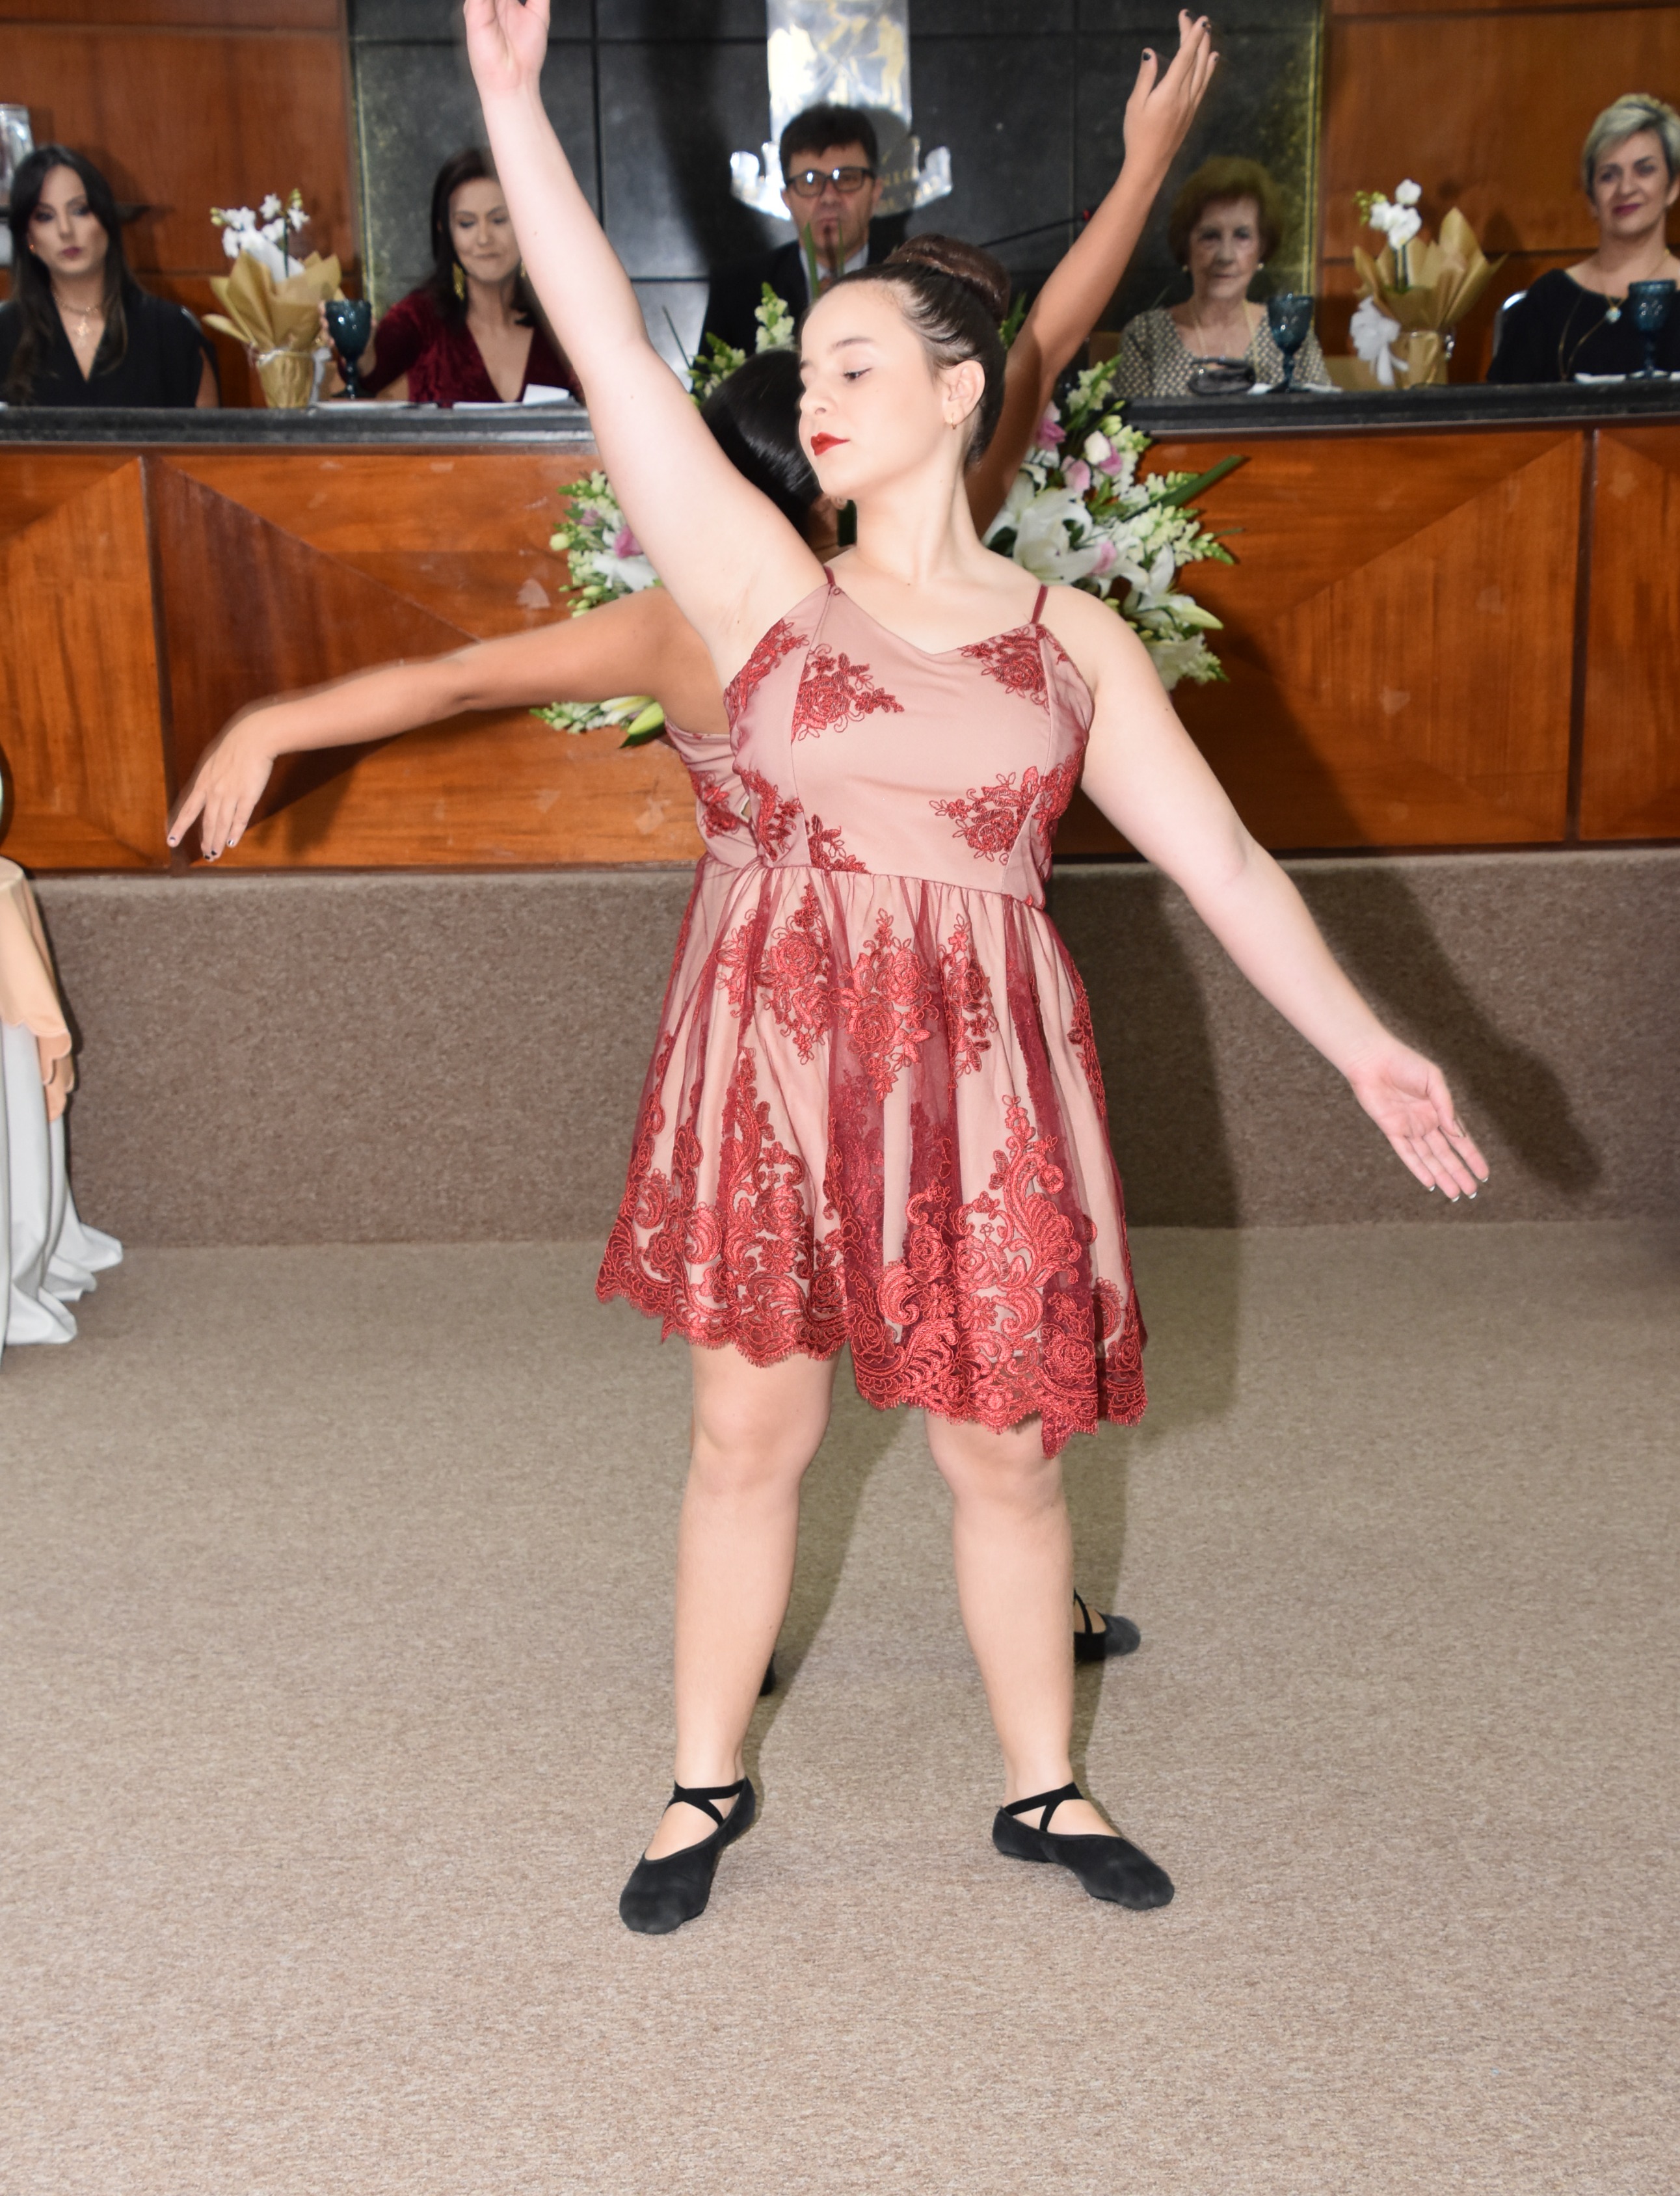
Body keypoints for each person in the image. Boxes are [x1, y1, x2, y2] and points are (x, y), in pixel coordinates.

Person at [460, 0, 1484, 1936]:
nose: (815, 396)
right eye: (803, 371)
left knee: (1002, 1447)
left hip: (987, 1067)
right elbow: (607, 349)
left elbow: (1226, 861)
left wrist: (1365, 1045)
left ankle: (1044, 1785)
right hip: (781, 1049)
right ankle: (701, 1781)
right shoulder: (764, 590)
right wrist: (514, 104)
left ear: (958, 391)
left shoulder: (1071, 639)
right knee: (748, 1431)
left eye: (856, 364)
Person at [349, 148, 579, 406]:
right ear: (444, 230)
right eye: (467, 224)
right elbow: (369, 374)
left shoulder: (560, 323)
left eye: (499, 220)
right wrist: (359, 350)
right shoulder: (420, 317)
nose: (484, 238)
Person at [1, 146, 217, 408]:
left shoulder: (171, 331)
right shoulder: (6, 332)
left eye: (80, 210)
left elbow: (206, 434)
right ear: (28, 238)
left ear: (106, 219)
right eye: (45, 217)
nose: (65, 230)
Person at [1489, 94, 1680, 382]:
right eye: (1608, 176)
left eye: (1644, 170)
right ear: (1591, 199)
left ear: (1673, 187)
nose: (1626, 188)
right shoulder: (1549, 301)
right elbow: (1504, 408)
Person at [1114, 155, 1331, 395]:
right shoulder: (1146, 337)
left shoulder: (1289, 334)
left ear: (1262, 247)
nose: (1225, 256)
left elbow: (1325, 415)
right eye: (1210, 236)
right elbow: (1125, 420)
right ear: (1186, 246)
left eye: (1242, 236)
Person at [702, 104, 892, 359]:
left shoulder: (914, 284)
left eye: (846, 178)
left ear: (875, 192)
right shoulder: (737, 292)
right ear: (787, 199)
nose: (829, 197)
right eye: (810, 181)